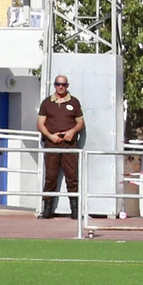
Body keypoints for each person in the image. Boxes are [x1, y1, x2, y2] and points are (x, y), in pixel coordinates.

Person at [36, 75, 84, 220]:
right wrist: (50, 136)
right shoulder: (47, 103)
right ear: (55, 85)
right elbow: (40, 124)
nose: (61, 87)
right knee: (50, 177)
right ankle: (47, 209)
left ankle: (75, 210)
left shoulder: (74, 102)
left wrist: (72, 132)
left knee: (72, 176)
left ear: (67, 85)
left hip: (69, 144)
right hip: (52, 144)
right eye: (58, 84)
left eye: (63, 84)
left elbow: (80, 123)